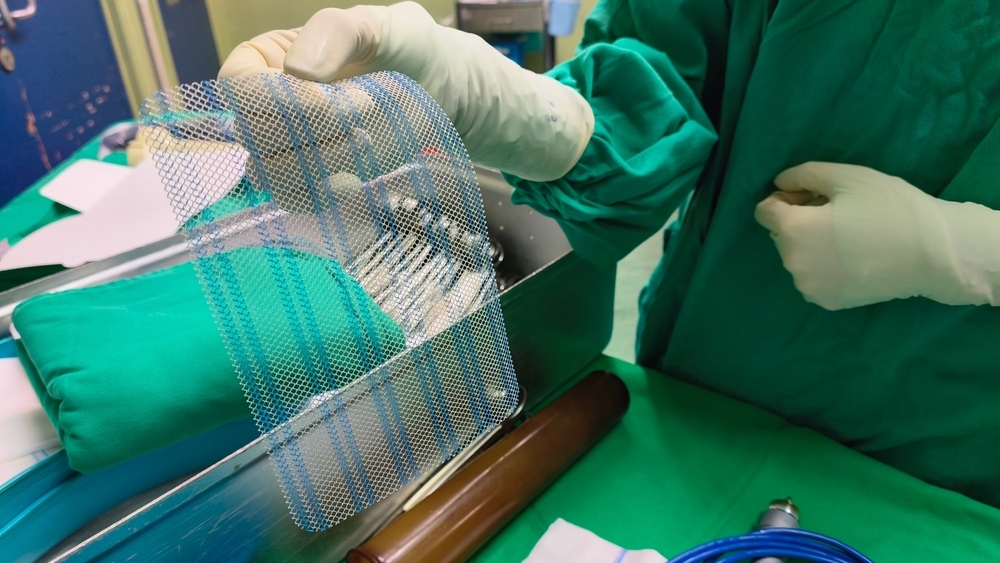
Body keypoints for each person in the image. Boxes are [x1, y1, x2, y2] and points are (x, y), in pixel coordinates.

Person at [219, 1, 1000, 506]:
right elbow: (652, 88)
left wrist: (967, 252)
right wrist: (461, 89)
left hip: (953, 452)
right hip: (710, 387)